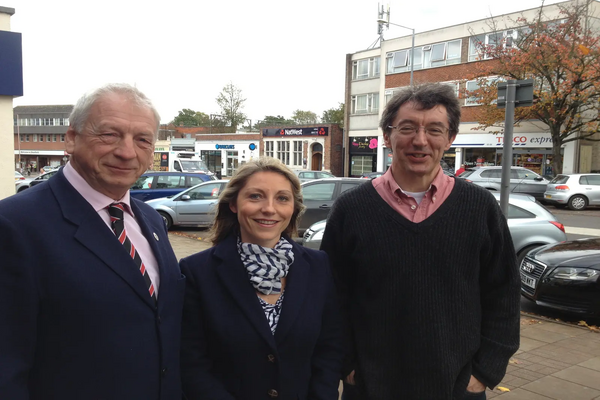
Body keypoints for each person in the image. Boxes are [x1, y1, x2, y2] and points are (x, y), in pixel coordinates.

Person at [320, 83, 520, 400]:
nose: (420, 141)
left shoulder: (479, 207)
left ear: (450, 138)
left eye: (435, 130)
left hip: (457, 387)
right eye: (408, 128)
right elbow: (331, 296)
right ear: (387, 136)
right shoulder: (352, 209)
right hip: (370, 387)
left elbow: (503, 294)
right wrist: (347, 364)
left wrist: (484, 372)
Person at [0, 83, 185, 399]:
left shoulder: (150, 219)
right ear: (71, 138)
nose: (127, 152)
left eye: (142, 140)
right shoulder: (14, 225)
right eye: (109, 135)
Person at [180, 157, 343, 400]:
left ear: (293, 208)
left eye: (282, 198)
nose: (269, 208)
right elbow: (192, 363)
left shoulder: (317, 266)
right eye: (255, 196)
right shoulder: (197, 272)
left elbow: (329, 349)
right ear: (234, 203)